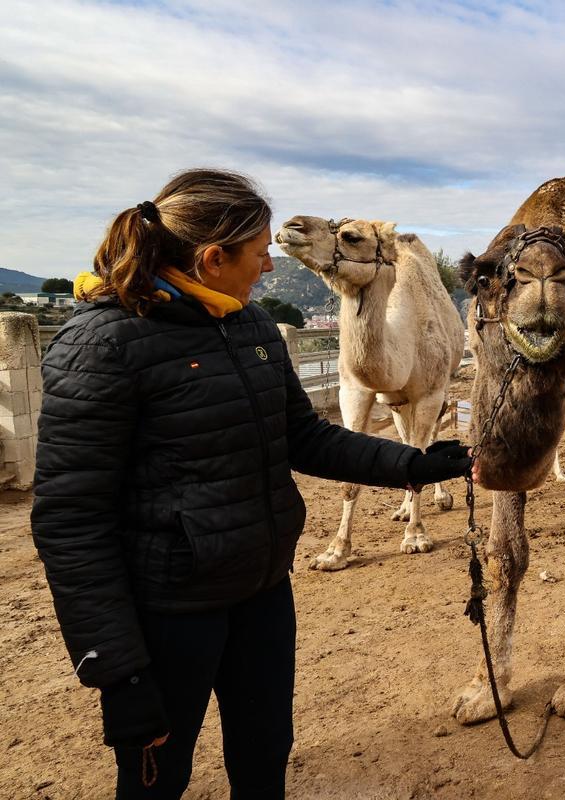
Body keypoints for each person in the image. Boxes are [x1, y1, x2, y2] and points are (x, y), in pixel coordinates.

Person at [30, 169, 472, 799]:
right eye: (260, 253)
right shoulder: (103, 345)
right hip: (168, 611)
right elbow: (70, 519)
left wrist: (412, 465)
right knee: (160, 777)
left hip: (261, 591)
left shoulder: (248, 327)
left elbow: (302, 436)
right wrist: (116, 669)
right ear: (213, 259)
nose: (269, 266)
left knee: (264, 759)